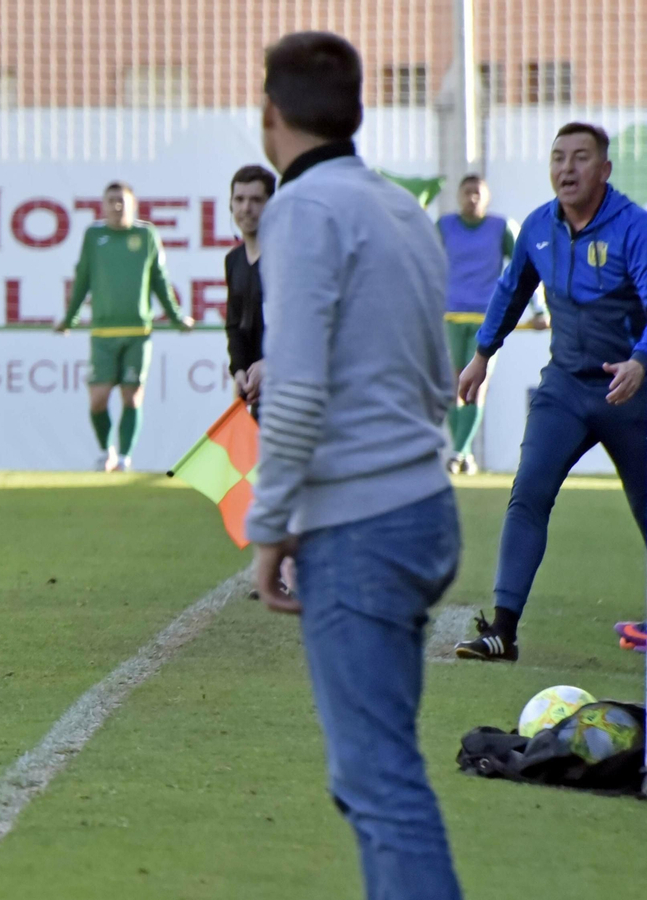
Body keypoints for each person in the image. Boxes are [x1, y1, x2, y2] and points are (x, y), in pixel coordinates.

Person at [251, 32, 462, 899]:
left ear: (268, 116)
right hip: (425, 510)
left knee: (380, 785)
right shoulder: (401, 206)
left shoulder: (301, 212)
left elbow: (295, 394)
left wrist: (268, 527)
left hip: (362, 529)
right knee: (378, 777)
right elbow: (442, 381)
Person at [453, 123, 647, 662]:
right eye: (558, 157)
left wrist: (640, 361)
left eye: (580, 158)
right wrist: (481, 356)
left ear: (604, 170)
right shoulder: (538, 226)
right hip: (563, 389)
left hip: (630, 392)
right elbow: (511, 290)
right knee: (528, 495)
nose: (566, 168)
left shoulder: (635, 227)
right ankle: (502, 631)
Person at [55, 181, 193, 473]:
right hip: (103, 333)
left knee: (132, 396)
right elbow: (83, 279)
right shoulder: (94, 236)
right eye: (111, 201)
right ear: (103, 205)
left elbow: (159, 280)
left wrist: (176, 316)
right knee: (98, 399)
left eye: (122, 201)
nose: (117, 206)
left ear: (133, 204)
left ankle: (124, 458)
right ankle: (107, 451)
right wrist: (70, 318)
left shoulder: (146, 235)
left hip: (137, 332)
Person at [438, 174, 545, 475]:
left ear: (486, 197)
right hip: (450, 317)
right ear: (458, 196)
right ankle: (464, 454)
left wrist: (539, 309)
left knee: (475, 384)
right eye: (467, 192)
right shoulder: (444, 227)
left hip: (488, 319)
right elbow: (423, 263)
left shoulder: (501, 228)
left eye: (477, 193)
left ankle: (458, 453)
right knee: (452, 385)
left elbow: (527, 268)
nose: (472, 198)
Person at [223, 164, 276, 412]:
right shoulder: (233, 260)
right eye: (239, 199)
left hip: (290, 388)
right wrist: (239, 370)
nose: (246, 208)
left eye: (256, 200)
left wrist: (273, 363)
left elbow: (306, 322)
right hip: (255, 394)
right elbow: (234, 323)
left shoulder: (288, 258)